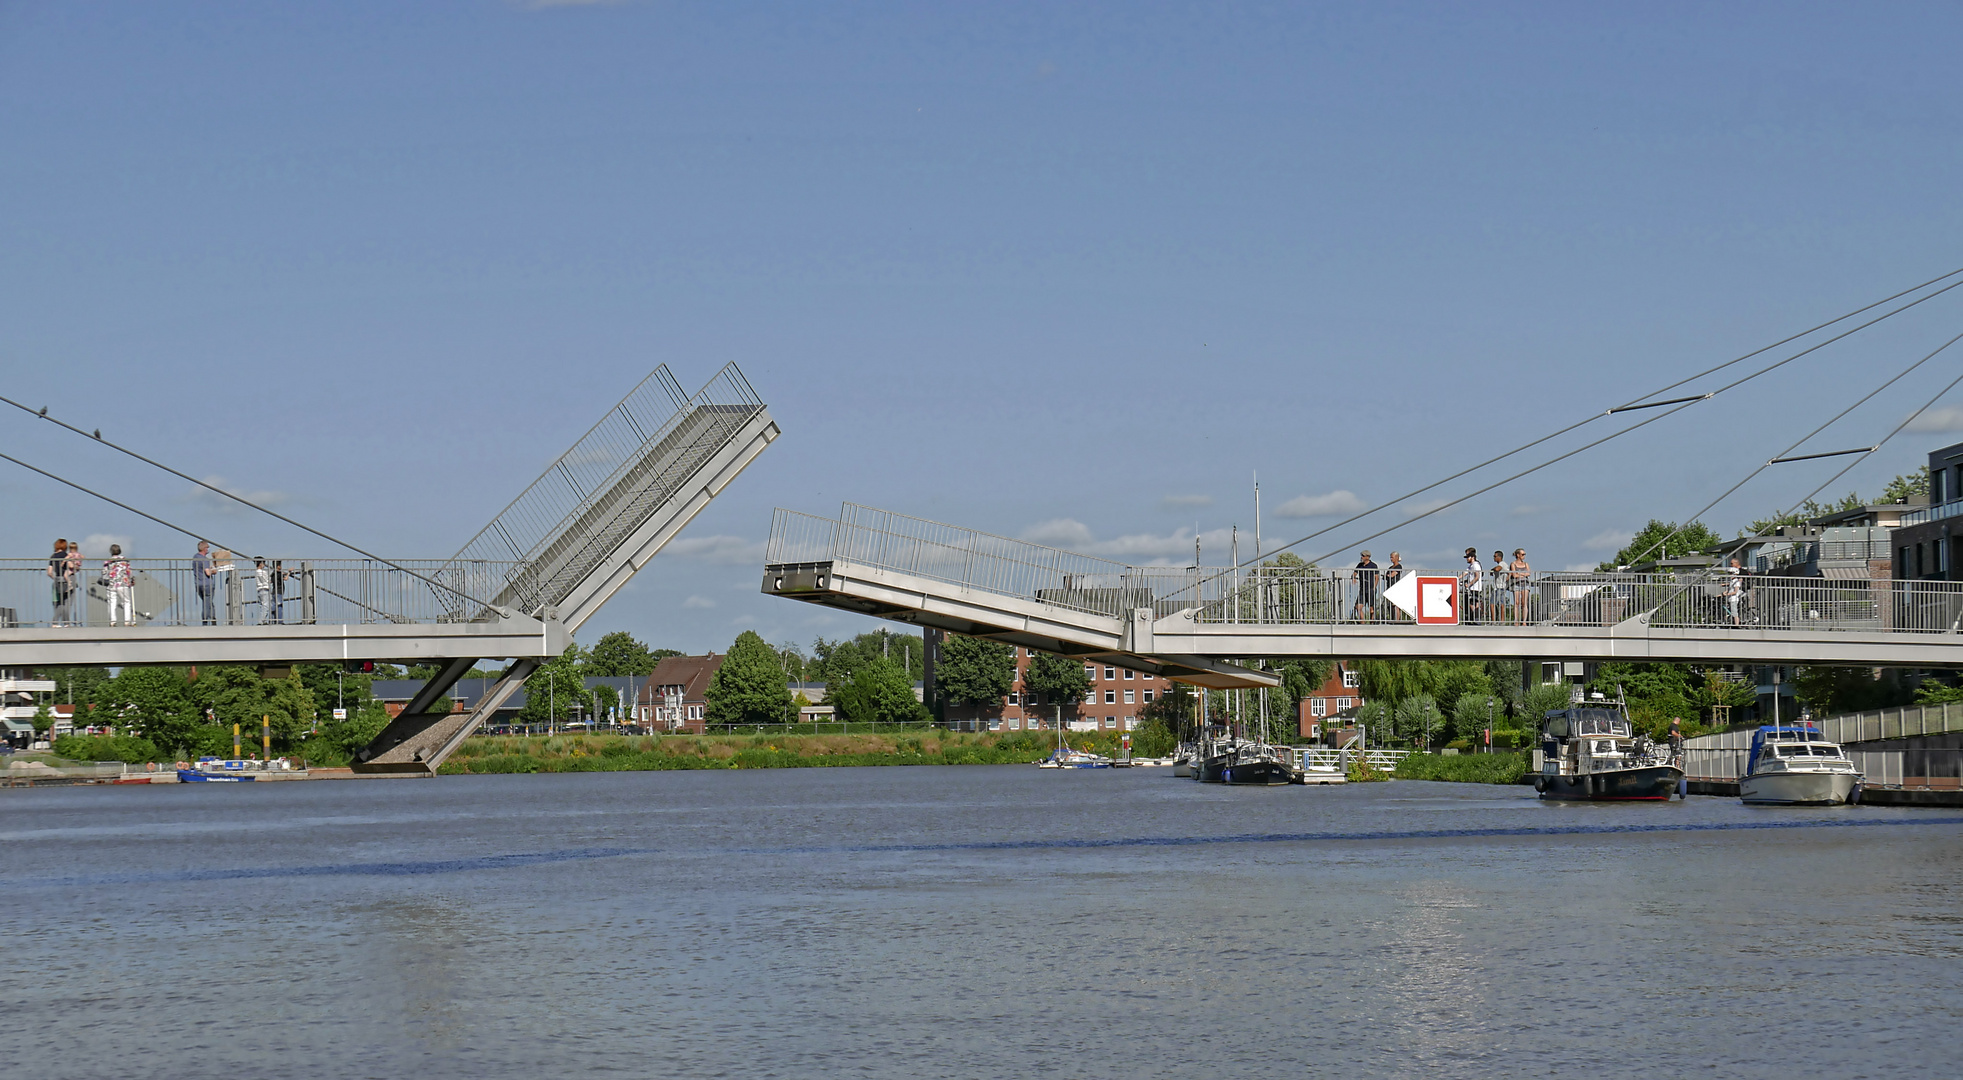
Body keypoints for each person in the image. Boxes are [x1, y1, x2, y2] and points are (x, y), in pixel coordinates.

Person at [104, 544, 135, 626]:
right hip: (123, 583)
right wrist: (132, 579)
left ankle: (113, 621)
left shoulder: (108, 561)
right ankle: (127, 621)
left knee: (112, 602)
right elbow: (129, 571)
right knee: (126, 602)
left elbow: (104, 572)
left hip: (111, 583)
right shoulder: (125, 560)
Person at [47, 539, 75, 627]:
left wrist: (55, 578)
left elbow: (49, 572)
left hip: (57, 581)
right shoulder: (65, 555)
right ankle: (66, 623)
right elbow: (71, 566)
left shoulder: (53, 556)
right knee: (67, 602)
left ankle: (55, 623)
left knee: (60, 602)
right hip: (67, 580)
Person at [192, 541, 217, 625]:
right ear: (204, 549)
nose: (208, 550)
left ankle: (213, 618)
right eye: (207, 548)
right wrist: (214, 571)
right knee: (207, 603)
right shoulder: (205, 559)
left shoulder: (195, 557)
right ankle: (206, 621)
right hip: (207, 584)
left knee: (207, 602)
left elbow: (200, 568)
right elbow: (208, 573)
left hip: (198, 583)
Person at [1350, 550, 1379, 622]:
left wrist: (1374, 587)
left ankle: (1372, 622)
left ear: (1367, 557)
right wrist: (1353, 578)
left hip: (1370, 589)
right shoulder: (1360, 565)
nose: (1361, 557)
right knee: (1358, 607)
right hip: (1362, 589)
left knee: (1371, 608)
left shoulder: (1373, 565)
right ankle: (1362, 623)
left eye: (1363, 556)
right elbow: (1354, 573)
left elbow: (1376, 577)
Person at [1460, 547, 1484, 624]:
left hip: (1475, 588)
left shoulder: (1476, 565)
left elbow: (1477, 576)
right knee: (1472, 603)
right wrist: (1456, 578)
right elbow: (1465, 573)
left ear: (1472, 557)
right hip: (1472, 588)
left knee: (1474, 603)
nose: (1467, 559)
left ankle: (1477, 619)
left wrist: (1469, 584)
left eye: (1468, 557)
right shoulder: (1471, 566)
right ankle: (1475, 618)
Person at [1509, 548, 1532, 624]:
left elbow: (1529, 573)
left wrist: (1519, 573)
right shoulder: (1513, 564)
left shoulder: (1526, 564)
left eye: (1524, 554)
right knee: (1517, 602)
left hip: (1525, 584)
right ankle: (1516, 620)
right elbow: (1514, 574)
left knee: (1524, 602)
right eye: (1522, 554)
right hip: (1516, 584)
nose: (1524, 556)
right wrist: (1523, 574)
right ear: (1518, 555)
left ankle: (1524, 621)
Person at [1487, 550, 1509, 621]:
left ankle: (1495, 620)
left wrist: (1492, 570)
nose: (1494, 558)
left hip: (1499, 587)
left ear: (1499, 557)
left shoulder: (1502, 564)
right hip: (1499, 587)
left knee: (1493, 603)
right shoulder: (1503, 564)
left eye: (1495, 556)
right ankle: (1500, 620)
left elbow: (1497, 569)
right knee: (1500, 604)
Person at [1723, 556, 1745, 626]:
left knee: (1734, 612)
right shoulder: (1732, 581)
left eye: (1731, 573)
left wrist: (1728, 594)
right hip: (1730, 598)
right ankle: (1731, 623)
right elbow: (1729, 588)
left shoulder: (1736, 582)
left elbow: (1735, 591)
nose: (1730, 575)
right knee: (1731, 611)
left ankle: (1736, 624)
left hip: (1734, 599)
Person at [254, 557, 274, 625]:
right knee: (266, 605)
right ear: (260, 563)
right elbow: (266, 580)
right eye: (263, 563)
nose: (264, 565)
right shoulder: (261, 572)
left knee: (262, 605)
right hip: (264, 589)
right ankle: (261, 620)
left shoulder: (256, 572)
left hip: (259, 590)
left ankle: (264, 620)